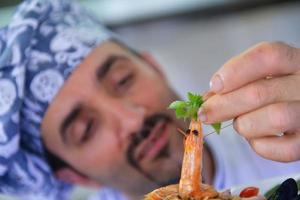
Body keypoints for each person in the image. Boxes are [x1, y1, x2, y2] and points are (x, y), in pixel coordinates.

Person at [0, 0, 299, 200]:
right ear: (75, 175)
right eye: (86, 129)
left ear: (153, 66)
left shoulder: (285, 132)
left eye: (122, 80)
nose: (132, 119)